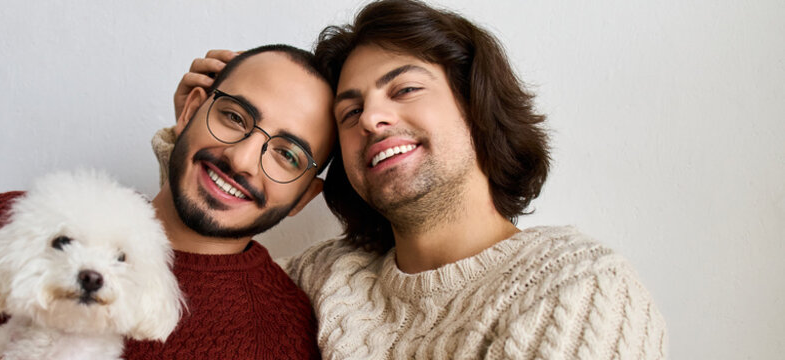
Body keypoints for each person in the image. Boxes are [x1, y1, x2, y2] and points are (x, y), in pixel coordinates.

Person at [170, 1, 667, 358]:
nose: (371, 119)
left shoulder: (575, 287)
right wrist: (195, 138)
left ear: (475, 106)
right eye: (351, 111)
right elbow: (196, 271)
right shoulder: (323, 278)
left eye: (404, 89)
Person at [0, 44, 334, 359]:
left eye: (287, 155)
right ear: (192, 108)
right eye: (235, 117)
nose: (242, 160)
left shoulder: (278, 335)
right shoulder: (15, 223)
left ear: (305, 197)